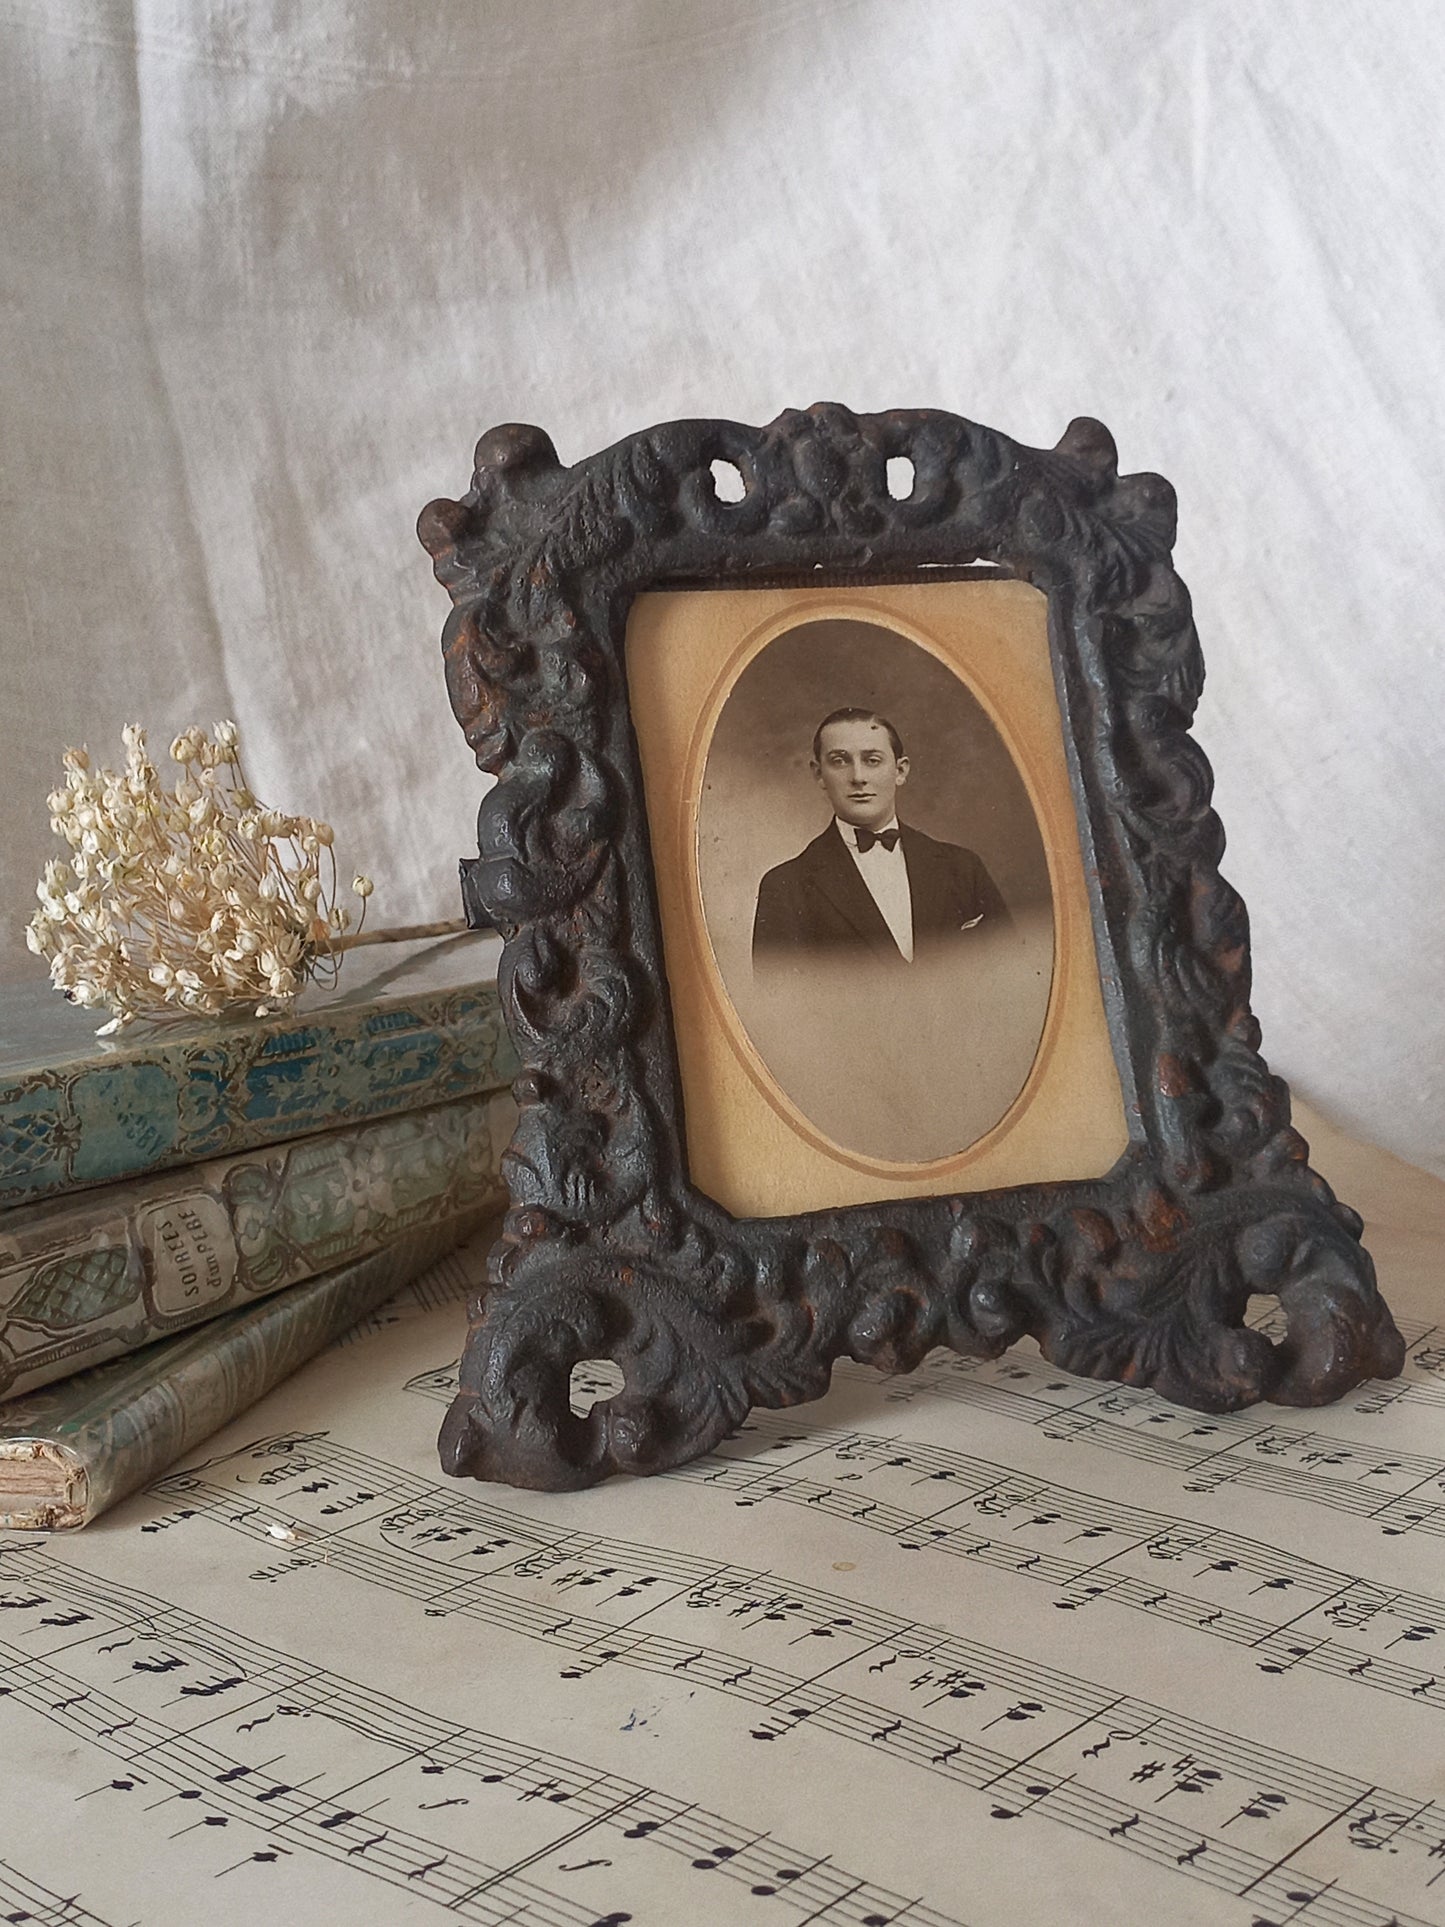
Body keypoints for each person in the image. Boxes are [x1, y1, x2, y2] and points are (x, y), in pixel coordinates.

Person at [751, 707, 1010, 970]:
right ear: (819, 774)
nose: (858, 777)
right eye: (840, 761)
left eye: (872, 760)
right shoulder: (785, 887)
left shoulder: (963, 868)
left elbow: (1010, 978)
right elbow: (780, 1006)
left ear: (900, 771)